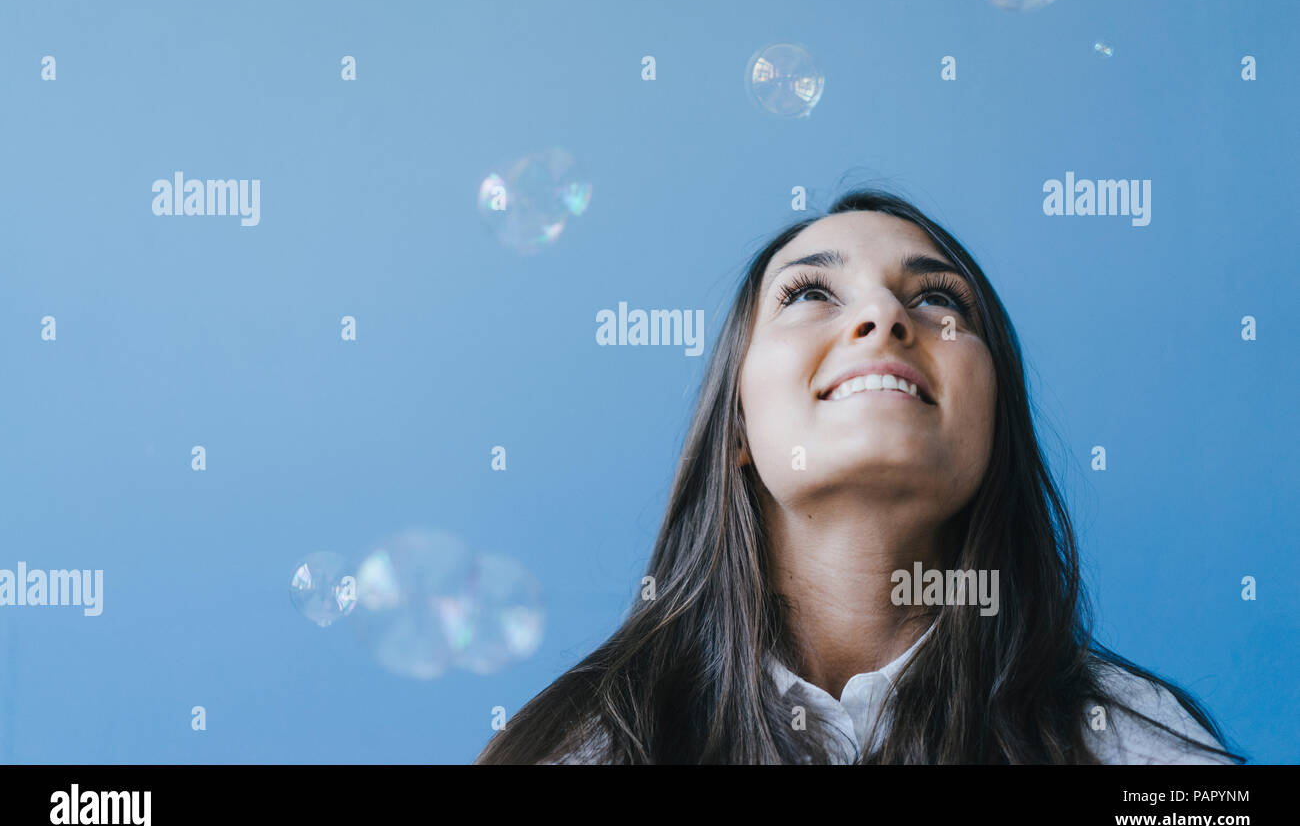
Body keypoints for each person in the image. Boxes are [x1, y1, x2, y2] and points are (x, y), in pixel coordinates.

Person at [475, 188, 1244, 764]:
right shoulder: (580, 746)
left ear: (992, 429)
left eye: (938, 298)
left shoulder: (1139, 744)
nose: (882, 315)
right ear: (736, 427)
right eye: (810, 292)